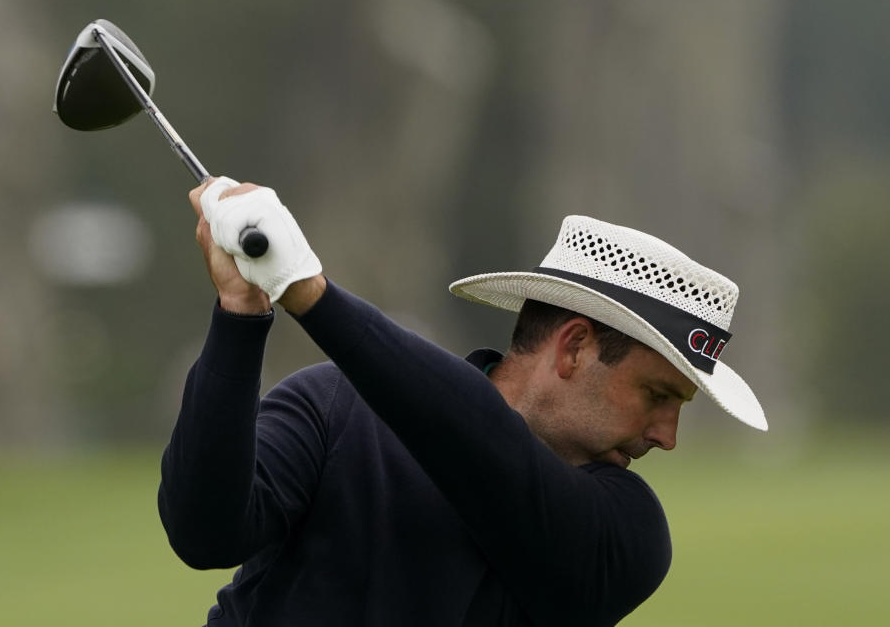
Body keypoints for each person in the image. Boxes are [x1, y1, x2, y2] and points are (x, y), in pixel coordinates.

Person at [158, 177, 767, 626]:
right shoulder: (334, 406)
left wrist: (312, 295)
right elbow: (204, 533)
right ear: (575, 348)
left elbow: (485, 449)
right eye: (659, 395)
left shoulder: (629, 532)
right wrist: (241, 312)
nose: (668, 435)